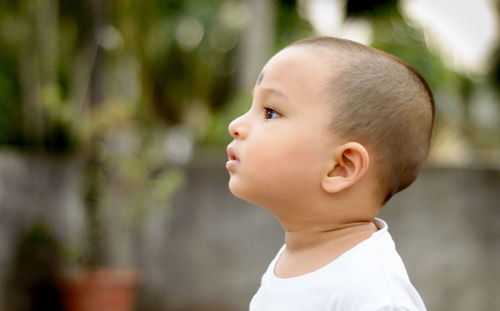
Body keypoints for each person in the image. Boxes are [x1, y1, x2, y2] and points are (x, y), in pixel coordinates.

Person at [225, 36, 434, 311]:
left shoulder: (375, 295)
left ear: (341, 167)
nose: (235, 125)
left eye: (271, 112)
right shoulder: (297, 256)